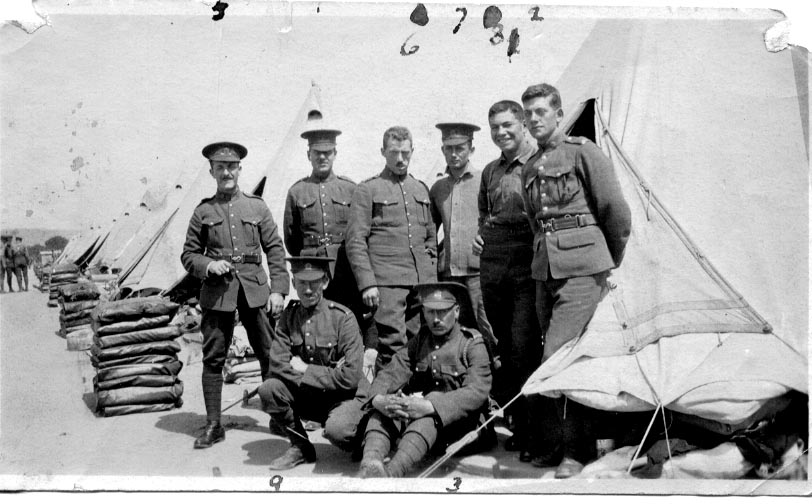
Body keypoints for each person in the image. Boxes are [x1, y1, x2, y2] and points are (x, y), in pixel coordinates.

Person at [520, 83, 632, 478]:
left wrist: (604, 263)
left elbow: (615, 211)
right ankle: (561, 445)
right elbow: (538, 222)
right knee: (559, 359)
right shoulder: (530, 166)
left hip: (584, 269)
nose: (533, 119)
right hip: (545, 272)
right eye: (528, 113)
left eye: (540, 112)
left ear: (557, 112)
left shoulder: (583, 151)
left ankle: (575, 452)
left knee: (557, 357)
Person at [181, 141, 290, 449]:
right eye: (220, 167)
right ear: (212, 171)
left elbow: (275, 249)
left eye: (231, 167)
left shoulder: (256, 207)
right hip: (218, 293)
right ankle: (214, 424)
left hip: (255, 290)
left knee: (269, 353)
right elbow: (188, 255)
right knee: (213, 356)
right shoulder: (203, 211)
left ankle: (278, 416)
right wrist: (208, 264)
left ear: (240, 169)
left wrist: (280, 289)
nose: (226, 172)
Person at [472, 100, 548, 463]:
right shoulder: (490, 171)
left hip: (526, 254)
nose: (500, 133)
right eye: (494, 128)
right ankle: (518, 421)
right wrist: (481, 235)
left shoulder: (539, 161)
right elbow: (484, 214)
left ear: (522, 124)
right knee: (503, 342)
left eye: (507, 125)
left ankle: (535, 428)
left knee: (524, 345)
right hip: (494, 258)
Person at [356, 281, 493, 478]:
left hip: (462, 427)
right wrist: (380, 400)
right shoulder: (421, 340)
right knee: (386, 411)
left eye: (442, 312)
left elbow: (477, 392)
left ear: (456, 311)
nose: (436, 319)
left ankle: (392, 473)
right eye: (430, 312)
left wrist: (429, 406)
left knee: (428, 413)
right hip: (421, 423)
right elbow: (392, 371)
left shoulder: (471, 344)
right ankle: (370, 462)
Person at [260, 256, 369, 469]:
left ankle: (366, 439)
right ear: (293, 284)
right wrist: (324, 374)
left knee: (338, 431)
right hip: (313, 394)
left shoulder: (343, 318)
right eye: (302, 283)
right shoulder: (288, 317)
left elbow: (351, 376)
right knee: (269, 389)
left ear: (325, 282)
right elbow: (277, 365)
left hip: (344, 397)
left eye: (314, 283)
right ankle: (300, 446)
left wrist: (304, 369)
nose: (308, 290)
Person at [346, 126, 437, 372]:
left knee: (421, 340)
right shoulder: (368, 189)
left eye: (405, 153)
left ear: (412, 152)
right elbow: (355, 240)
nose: (400, 158)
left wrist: (429, 274)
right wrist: (367, 283)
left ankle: (412, 397)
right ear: (383, 152)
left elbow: (430, 235)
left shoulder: (420, 188)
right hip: (386, 282)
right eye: (394, 152)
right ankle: (387, 400)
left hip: (421, 282)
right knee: (392, 344)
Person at [282, 122, 378, 357]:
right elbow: (292, 239)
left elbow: (360, 233)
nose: (322, 157)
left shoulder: (350, 189)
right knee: (319, 322)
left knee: (350, 318)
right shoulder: (297, 192)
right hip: (314, 269)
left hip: (344, 269)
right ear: (309, 155)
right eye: (317, 153)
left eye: (327, 152)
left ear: (335, 153)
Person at [428, 122, 496, 361]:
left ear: (471, 149)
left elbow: (496, 220)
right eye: (449, 148)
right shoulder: (437, 188)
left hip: (479, 272)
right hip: (448, 274)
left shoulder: (484, 180)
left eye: (460, 148)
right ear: (443, 150)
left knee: (487, 327)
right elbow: (429, 231)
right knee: (454, 330)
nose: (454, 154)